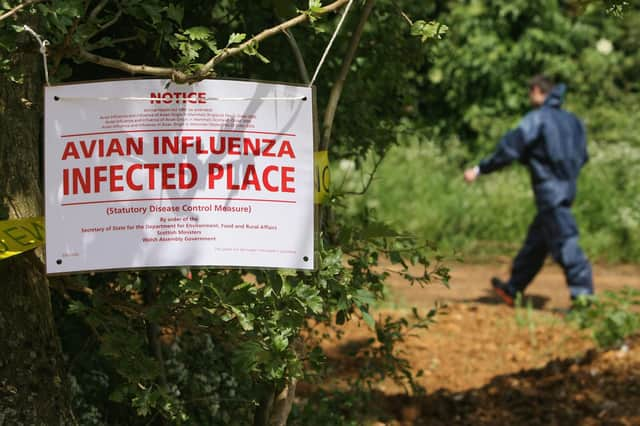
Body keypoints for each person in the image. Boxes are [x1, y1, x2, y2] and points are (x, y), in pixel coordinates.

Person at [463, 75, 594, 306]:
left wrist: (480, 168)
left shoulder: (538, 119)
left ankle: (584, 299)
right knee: (537, 243)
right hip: (567, 190)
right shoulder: (574, 121)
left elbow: (509, 149)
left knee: (566, 244)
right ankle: (513, 289)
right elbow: (582, 157)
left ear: (536, 91)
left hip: (550, 194)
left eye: (529, 92)